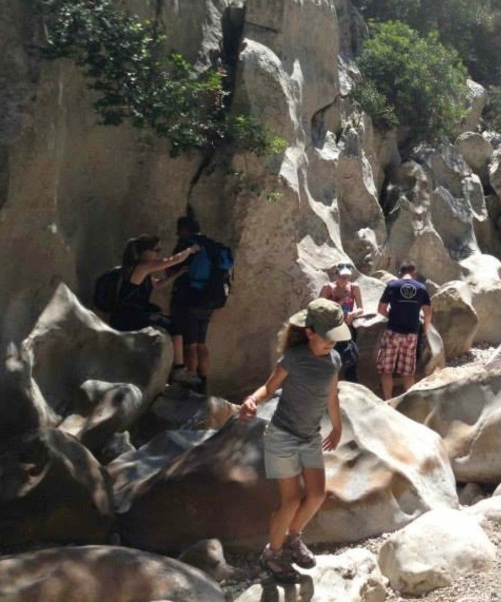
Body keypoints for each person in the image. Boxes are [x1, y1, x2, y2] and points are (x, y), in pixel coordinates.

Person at [238, 298, 348, 584]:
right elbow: (269, 387)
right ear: (310, 332)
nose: (332, 343)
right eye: (328, 337)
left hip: (310, 436)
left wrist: (337, 426)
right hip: (283, 436)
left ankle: (292, 538)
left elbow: (332, 395)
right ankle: (272, 554)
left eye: (336, 337)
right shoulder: (294, 358)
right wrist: (252, 400)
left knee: (316, 495)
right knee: (290, 501)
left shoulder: (333, 360)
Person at [110, 235, 199, 372]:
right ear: (145, 251)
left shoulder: (139, 269)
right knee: (175, 326)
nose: (158, 253)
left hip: (127, 314)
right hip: (131, 317)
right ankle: (179, 369)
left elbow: (157, 285)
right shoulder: (142, 266)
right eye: (156, 249)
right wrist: (190, 250)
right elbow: (173, 260)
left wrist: (176, 275)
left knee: (167, 321)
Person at [170, 216, 229, 394]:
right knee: (201, 343)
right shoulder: (213, 245)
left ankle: (190, 381)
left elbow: (172, 269)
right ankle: (203, 382)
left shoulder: (187, 245)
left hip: (190, 298)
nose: (177, 233)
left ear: (185, 229)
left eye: (179, 230)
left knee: (190, 344)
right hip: (211, 299)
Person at [376, 261, 432, 399]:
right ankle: (409, 402)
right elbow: (428, 313)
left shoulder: (392, 285)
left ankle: (388, 401)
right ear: (414, 273)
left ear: (399, 273)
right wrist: (425, 330)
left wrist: (392, 317)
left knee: (386, 370)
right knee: (408, 372)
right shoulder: (421, 288)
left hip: (393, 332)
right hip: (411, 335)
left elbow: (381, 309)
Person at [320, 263, 364, 383]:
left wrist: (353, 314)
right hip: (331, 329)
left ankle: (352, 387)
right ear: (336, 275)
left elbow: (361, 308)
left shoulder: (354, 287)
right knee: (329, 359)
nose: (345, 279)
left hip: (347, 328)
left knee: (350, 358)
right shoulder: (328, 288)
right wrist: (339, 302)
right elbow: (319, 308)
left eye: (347, 277)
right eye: (342, 276)